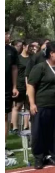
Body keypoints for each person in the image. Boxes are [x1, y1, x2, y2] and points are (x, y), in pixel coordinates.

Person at [27, 41, 55, 169]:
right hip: (42, 105)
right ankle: (39, 157)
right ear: (51, 53)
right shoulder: (40, 67)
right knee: (39, 132)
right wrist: (32, 103)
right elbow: (31, 85)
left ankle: (51, 154)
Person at [11, 40, 31, 133]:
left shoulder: (32, 58)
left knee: (28, 106)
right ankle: (15, 127)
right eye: (29, 46)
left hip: (30, 84)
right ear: (24, 46)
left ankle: (26, 126)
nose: (31, 48)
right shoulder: (18, 58)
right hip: (20, 84)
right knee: (18, 106)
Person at [5, 31, 19, 163]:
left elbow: (14, 69)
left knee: (5, 117)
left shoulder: (11, 50)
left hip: (7, 88)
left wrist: (14, 86)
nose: (8, 36)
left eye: (8, 34)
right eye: (5, 34)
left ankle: (3, 146)